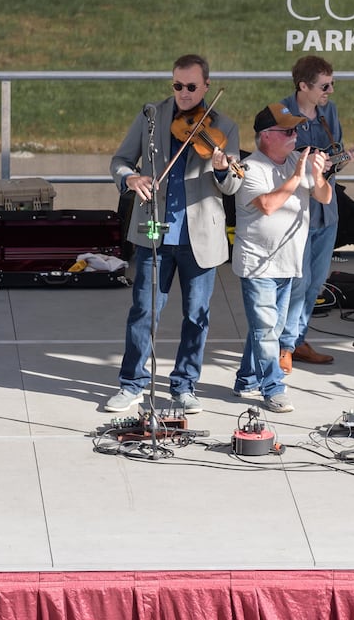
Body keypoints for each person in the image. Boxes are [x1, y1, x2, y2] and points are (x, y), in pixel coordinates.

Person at [105, 53, 242, 415]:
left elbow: (231, 188)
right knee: (143, 312)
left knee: (197, 315)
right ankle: (132, 383)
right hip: (154, 232)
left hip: (200, 238)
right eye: (178, 86)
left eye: (191, 87)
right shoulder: (152, 116)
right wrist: (131, 179)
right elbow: (119, 161)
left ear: (206, 87)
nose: (183, 93)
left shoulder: (224, 128)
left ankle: (185, 385)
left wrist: (221, 169)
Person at [232, 103, 332, 413]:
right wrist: (297, 175)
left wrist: (317, 177)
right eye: (287, 130)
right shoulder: (251, 169)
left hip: (288, 262)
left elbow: (324, 197)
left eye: (296, 129)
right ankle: (272, 387)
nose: (296, 135)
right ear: (265, 136)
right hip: (258, 263)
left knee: (268, 328)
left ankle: (246, 380)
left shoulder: (293, 160)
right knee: (266, 329)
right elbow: (269, 205)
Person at [277, 55, 354, 372]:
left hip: (326, 210)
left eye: (332, 84)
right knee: (296, 283)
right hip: (294, 212)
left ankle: (297, 341)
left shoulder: (329, 112)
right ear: (304, 86)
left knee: (315, 284)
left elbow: (334, 158)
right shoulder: (281, 113)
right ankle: (283, 345)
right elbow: (275, 160)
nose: (330, 90)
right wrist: (309, 162)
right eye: (325, 86)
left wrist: (344, 158)